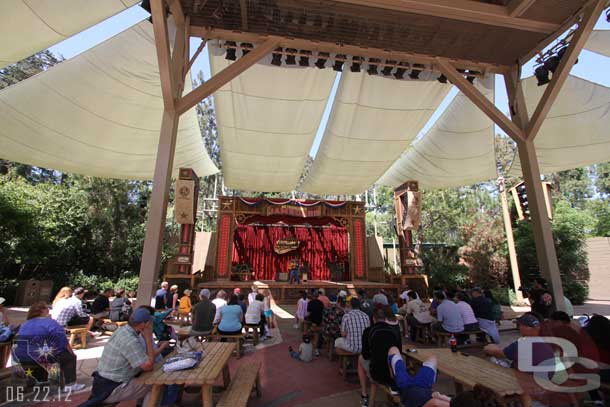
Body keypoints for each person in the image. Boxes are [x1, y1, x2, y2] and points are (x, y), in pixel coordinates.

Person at [80, 308, 156, 407]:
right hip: (112, 387)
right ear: (143, 324)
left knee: (144, 376)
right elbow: (148, 366)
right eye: (149, 323)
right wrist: (149, 339)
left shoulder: (122, 330)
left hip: (101, 382)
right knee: (154, 385)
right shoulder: (130, 340)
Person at [13, 302, 86, 392]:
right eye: (46, 307)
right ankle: (70, 384)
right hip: (41, 356)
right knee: (68, 357)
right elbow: (61, 339)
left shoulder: (25, 324)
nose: (48, 309)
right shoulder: (49, 322)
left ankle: (37, 379)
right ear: (42, 310)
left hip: (24, 357)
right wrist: (70, 351)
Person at [358, 307, 402, 407]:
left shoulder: (368, 331)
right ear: (385, 318)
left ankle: (364, 394)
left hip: (377, 373)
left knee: (360, 358)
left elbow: (365, 355)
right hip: (393, 373)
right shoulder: (394, 330)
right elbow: (398, 352)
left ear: (373, 318)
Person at [484, 312, 554, 371]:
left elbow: (498, 353)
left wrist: (490, 347)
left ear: (525, 328)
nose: (518, 328)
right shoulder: (546, 341)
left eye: (519, 325)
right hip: (545, 378)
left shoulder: (521, 344)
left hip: (526, 379)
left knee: (493, 359)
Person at [306, 291, 325, 356]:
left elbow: (308, 312)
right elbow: (322, 311)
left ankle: (310, 346)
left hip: (312, 321)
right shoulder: (321, 303)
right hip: (319, 320)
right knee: (316, 334)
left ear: (313, 296)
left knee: (314, 333)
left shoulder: (310, 303)